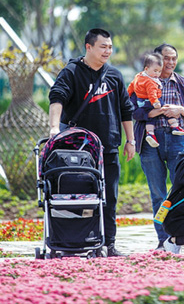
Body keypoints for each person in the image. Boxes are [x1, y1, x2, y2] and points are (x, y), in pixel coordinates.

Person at [48, 28, 135, 258]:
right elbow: (56, 96)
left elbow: (126, 109)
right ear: (88, 47)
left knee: (110, 198)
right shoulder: (72, 72)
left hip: (109, 147)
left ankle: (109, 244)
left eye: (110, 46)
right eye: (103, 46)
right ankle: (71, 242)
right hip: (78, 150)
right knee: (76, 197)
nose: (108, 51)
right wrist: (54, 128)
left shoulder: (114, 75)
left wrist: (131, 140)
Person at [130, 43, 184, 249]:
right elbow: (133, 112)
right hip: (151, 141)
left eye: (173, 58)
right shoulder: (141, 82)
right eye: (166, 58)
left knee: (183, 189)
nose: (170, 62)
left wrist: (179, 109)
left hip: (178, 139)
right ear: (156, 60)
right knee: (157, 194)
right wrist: (157, 112)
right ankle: (164, 240)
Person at [127, 52, 184, 149]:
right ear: (146, 68)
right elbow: (152, 93)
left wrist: (127, 95)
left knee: (151, 117)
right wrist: (156, 103)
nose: (157, 74)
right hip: (151, 101)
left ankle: (150, 133)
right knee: (165, 107)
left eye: (159, 71)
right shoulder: (150, 81)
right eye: (155, 71)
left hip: (141, 102)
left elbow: (131, 87)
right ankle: (174, 125)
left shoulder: (138, 76)